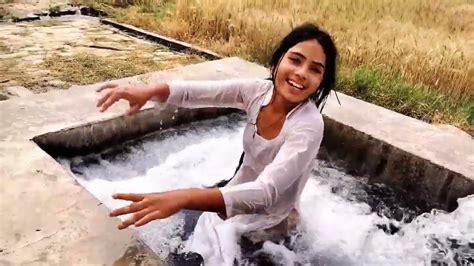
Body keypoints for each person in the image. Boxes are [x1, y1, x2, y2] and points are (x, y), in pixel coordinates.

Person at [96, 22, 337, 265]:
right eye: (295, 60)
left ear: (321, 82)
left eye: (315, 70)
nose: (302, 73)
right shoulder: (258, 92)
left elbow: (266, 193)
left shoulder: (309, 125)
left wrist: (184, 197)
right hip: (237, 191)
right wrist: (148, 92)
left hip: (270, 223)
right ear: (277, 61)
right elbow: (198, 93)